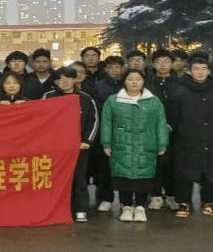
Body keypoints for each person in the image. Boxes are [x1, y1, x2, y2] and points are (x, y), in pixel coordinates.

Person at [100, 69, 169, 223]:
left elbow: (161, 123)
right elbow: (106, 123)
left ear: (143, 82)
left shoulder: (154, 101)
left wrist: (162, 143)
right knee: (124, 177)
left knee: (143, 178)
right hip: (122, 145)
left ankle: (140, 207)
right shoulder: (113, 100)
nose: (134, 82)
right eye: (130, 79)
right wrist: (106, 143)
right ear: (124, 81)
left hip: (146, 145)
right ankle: (126, 207)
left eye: (138, 79)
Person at [167, 54, 213, 219]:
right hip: (187, 137)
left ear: (209, 71)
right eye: (196, 69)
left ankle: (209, 201)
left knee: (211, 171)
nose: (200, 72)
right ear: (189, 71)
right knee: (184, 172)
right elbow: (173, 117)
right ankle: (184, 202)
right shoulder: (180, 91)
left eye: (204, 69)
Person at [42, 67, 98, 222]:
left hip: (78, 147)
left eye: (68, 78)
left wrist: (87, 141)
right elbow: (40, 119)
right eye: (60, 79)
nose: (64, 82)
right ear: (55, 82)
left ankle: (80, 209)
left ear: (75, 79)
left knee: (79, 178)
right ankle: (54, 209)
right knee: (55, 178)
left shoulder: (85, 98)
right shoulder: (48, 97)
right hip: (55, 147)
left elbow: (93, 121)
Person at [90, 55, 125, 212]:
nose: (114, 70)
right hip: (105, 130)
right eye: (111, 67)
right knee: (104, 167)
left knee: (125, 166)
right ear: (105, 69)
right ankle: (106, 198)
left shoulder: (128, 84)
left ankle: (125, 200)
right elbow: (97, 109)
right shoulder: (98, 86)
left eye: (117, 67)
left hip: (125, 131)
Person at [147, 49, 179, 211]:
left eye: (166, 61)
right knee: (155, 163)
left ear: (172, 63)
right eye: (158, 62)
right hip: (152, 130)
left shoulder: (180, 82)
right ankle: (156, 195)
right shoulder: (147, 83)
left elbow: (184, 107)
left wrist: (173, 124)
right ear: (153, 64)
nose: (162, 65)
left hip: (175, 131)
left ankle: (172, 195)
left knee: (172, 163)